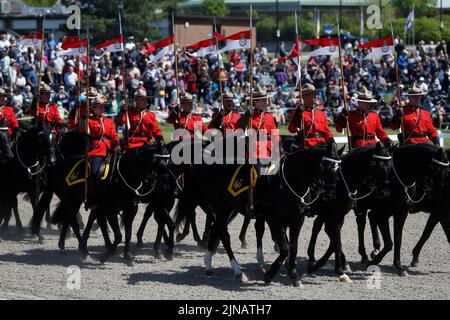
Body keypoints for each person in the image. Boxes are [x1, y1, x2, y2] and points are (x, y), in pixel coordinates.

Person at [242, 86, 280, 218]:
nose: (265, 102)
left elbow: (275, 134)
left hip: (268, 151)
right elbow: (239, 129)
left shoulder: (269, 117)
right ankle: (251, 204)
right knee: (256, 175)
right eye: (262, 100)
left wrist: (279, 150)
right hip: (254, 152)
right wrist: (247, 116)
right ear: (255, 101)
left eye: (265, 100)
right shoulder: (250, 116)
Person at [79, 92, 120, 209]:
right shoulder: (89, 121)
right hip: (96, 150)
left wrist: (116, 143)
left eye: (104, 107)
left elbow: (114, 135)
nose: (103, 109)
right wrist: (83, 118)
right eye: (100, 107)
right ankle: (93, 197)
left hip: (110, 149)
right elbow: (81, 130)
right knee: (95, 173)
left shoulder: (109, 121)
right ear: (94, 108)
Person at [288, 83, 334, 148]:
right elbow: (291, 129)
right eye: (313, 94)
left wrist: (332, 141)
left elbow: (327, 132)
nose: (315, 96)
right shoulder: (300, 113)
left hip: (322, 145)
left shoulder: (321, 113)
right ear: (304, 97)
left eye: (315, 94)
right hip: (307, 146)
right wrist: (297, 114)